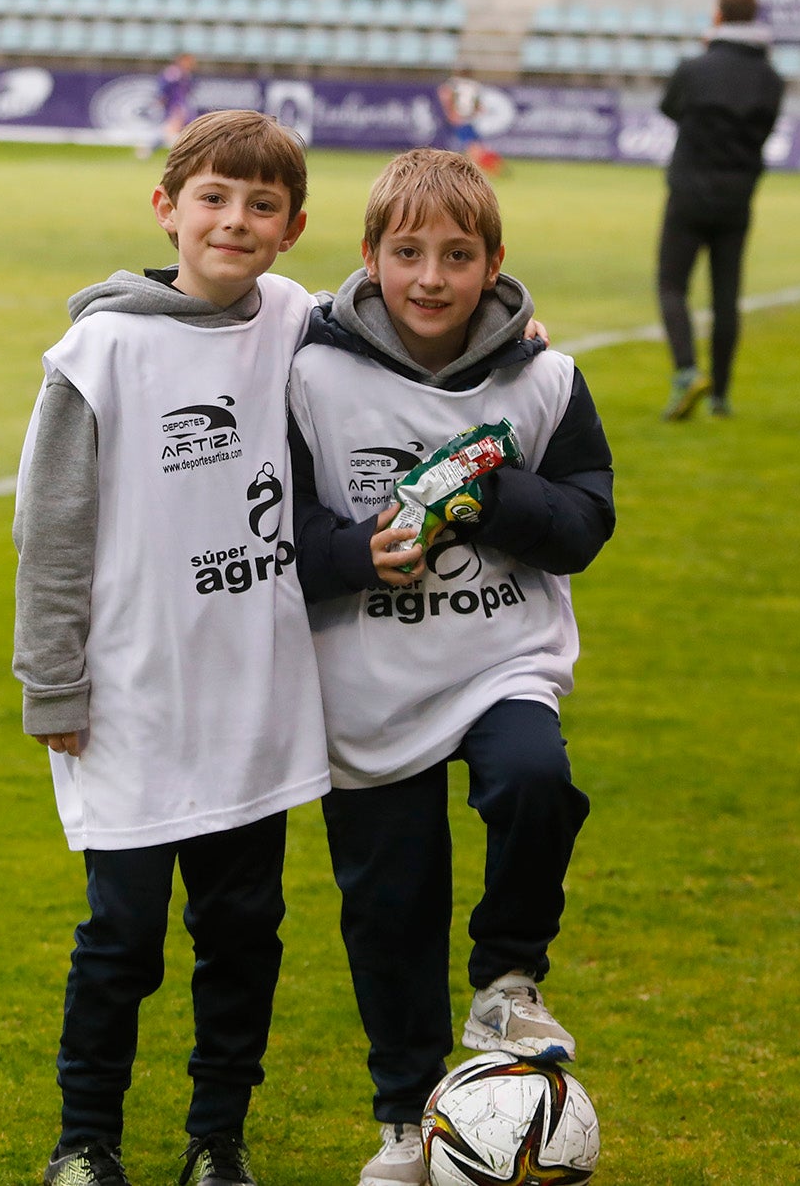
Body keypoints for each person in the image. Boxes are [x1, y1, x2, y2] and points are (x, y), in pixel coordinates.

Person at [286, 147, 615, 1186]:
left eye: (458, 255)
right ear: (370, 258)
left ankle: (509, 977)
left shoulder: (545, 377)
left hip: (498, 657)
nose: (431, 277)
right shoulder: (308, 374)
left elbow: (587, 524)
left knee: (535, 780)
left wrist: (494, 486)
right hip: (367, 679)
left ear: (496, 263)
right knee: (390, 906)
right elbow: (277, 529)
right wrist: (354, 554)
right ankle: (402, 1123)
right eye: (408, 253)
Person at [13, 109, 330, 1186]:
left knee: (244, 937)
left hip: (253, 696)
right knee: (124, 940)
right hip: (135, 698)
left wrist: (513, 333)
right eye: (214, 197)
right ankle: (84, 1141)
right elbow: (50, 529)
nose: (234, 221)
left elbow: (402, 331)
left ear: (291, 229)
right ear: (167, 208)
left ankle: (216, 1142)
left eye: (261, 205)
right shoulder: (100, 349)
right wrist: (51, 680)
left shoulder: (292, 315)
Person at [656, 0, 785, 420]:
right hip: (738, 195)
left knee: (672, 286)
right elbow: (764, 129)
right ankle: (721, 397)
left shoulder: (694, 69)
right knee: (726, 296)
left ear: (718, 16)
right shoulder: (770, 78)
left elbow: (670, 108)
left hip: (690, 191)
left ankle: (687, 372)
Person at [437, 70, 504, 176]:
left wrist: (450, 110)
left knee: (472, 146)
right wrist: (478, 109)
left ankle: (473, 169)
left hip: (461, 119)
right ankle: (477, 168)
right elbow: (477, 104)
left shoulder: (454, 83)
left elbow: (444, 93)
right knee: (473, 145)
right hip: (468, 119)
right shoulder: (474, 85)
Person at [138, 51, 197, 158]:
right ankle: (149, 149)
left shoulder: (186, 75)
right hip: (176, 106)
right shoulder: (173, 73)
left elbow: (188, 91)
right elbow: (163, 89)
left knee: (181, 130)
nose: (191, 64)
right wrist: (161, 100)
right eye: (189, 61)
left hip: (182, 105)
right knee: (172, 130)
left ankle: (150, 149)